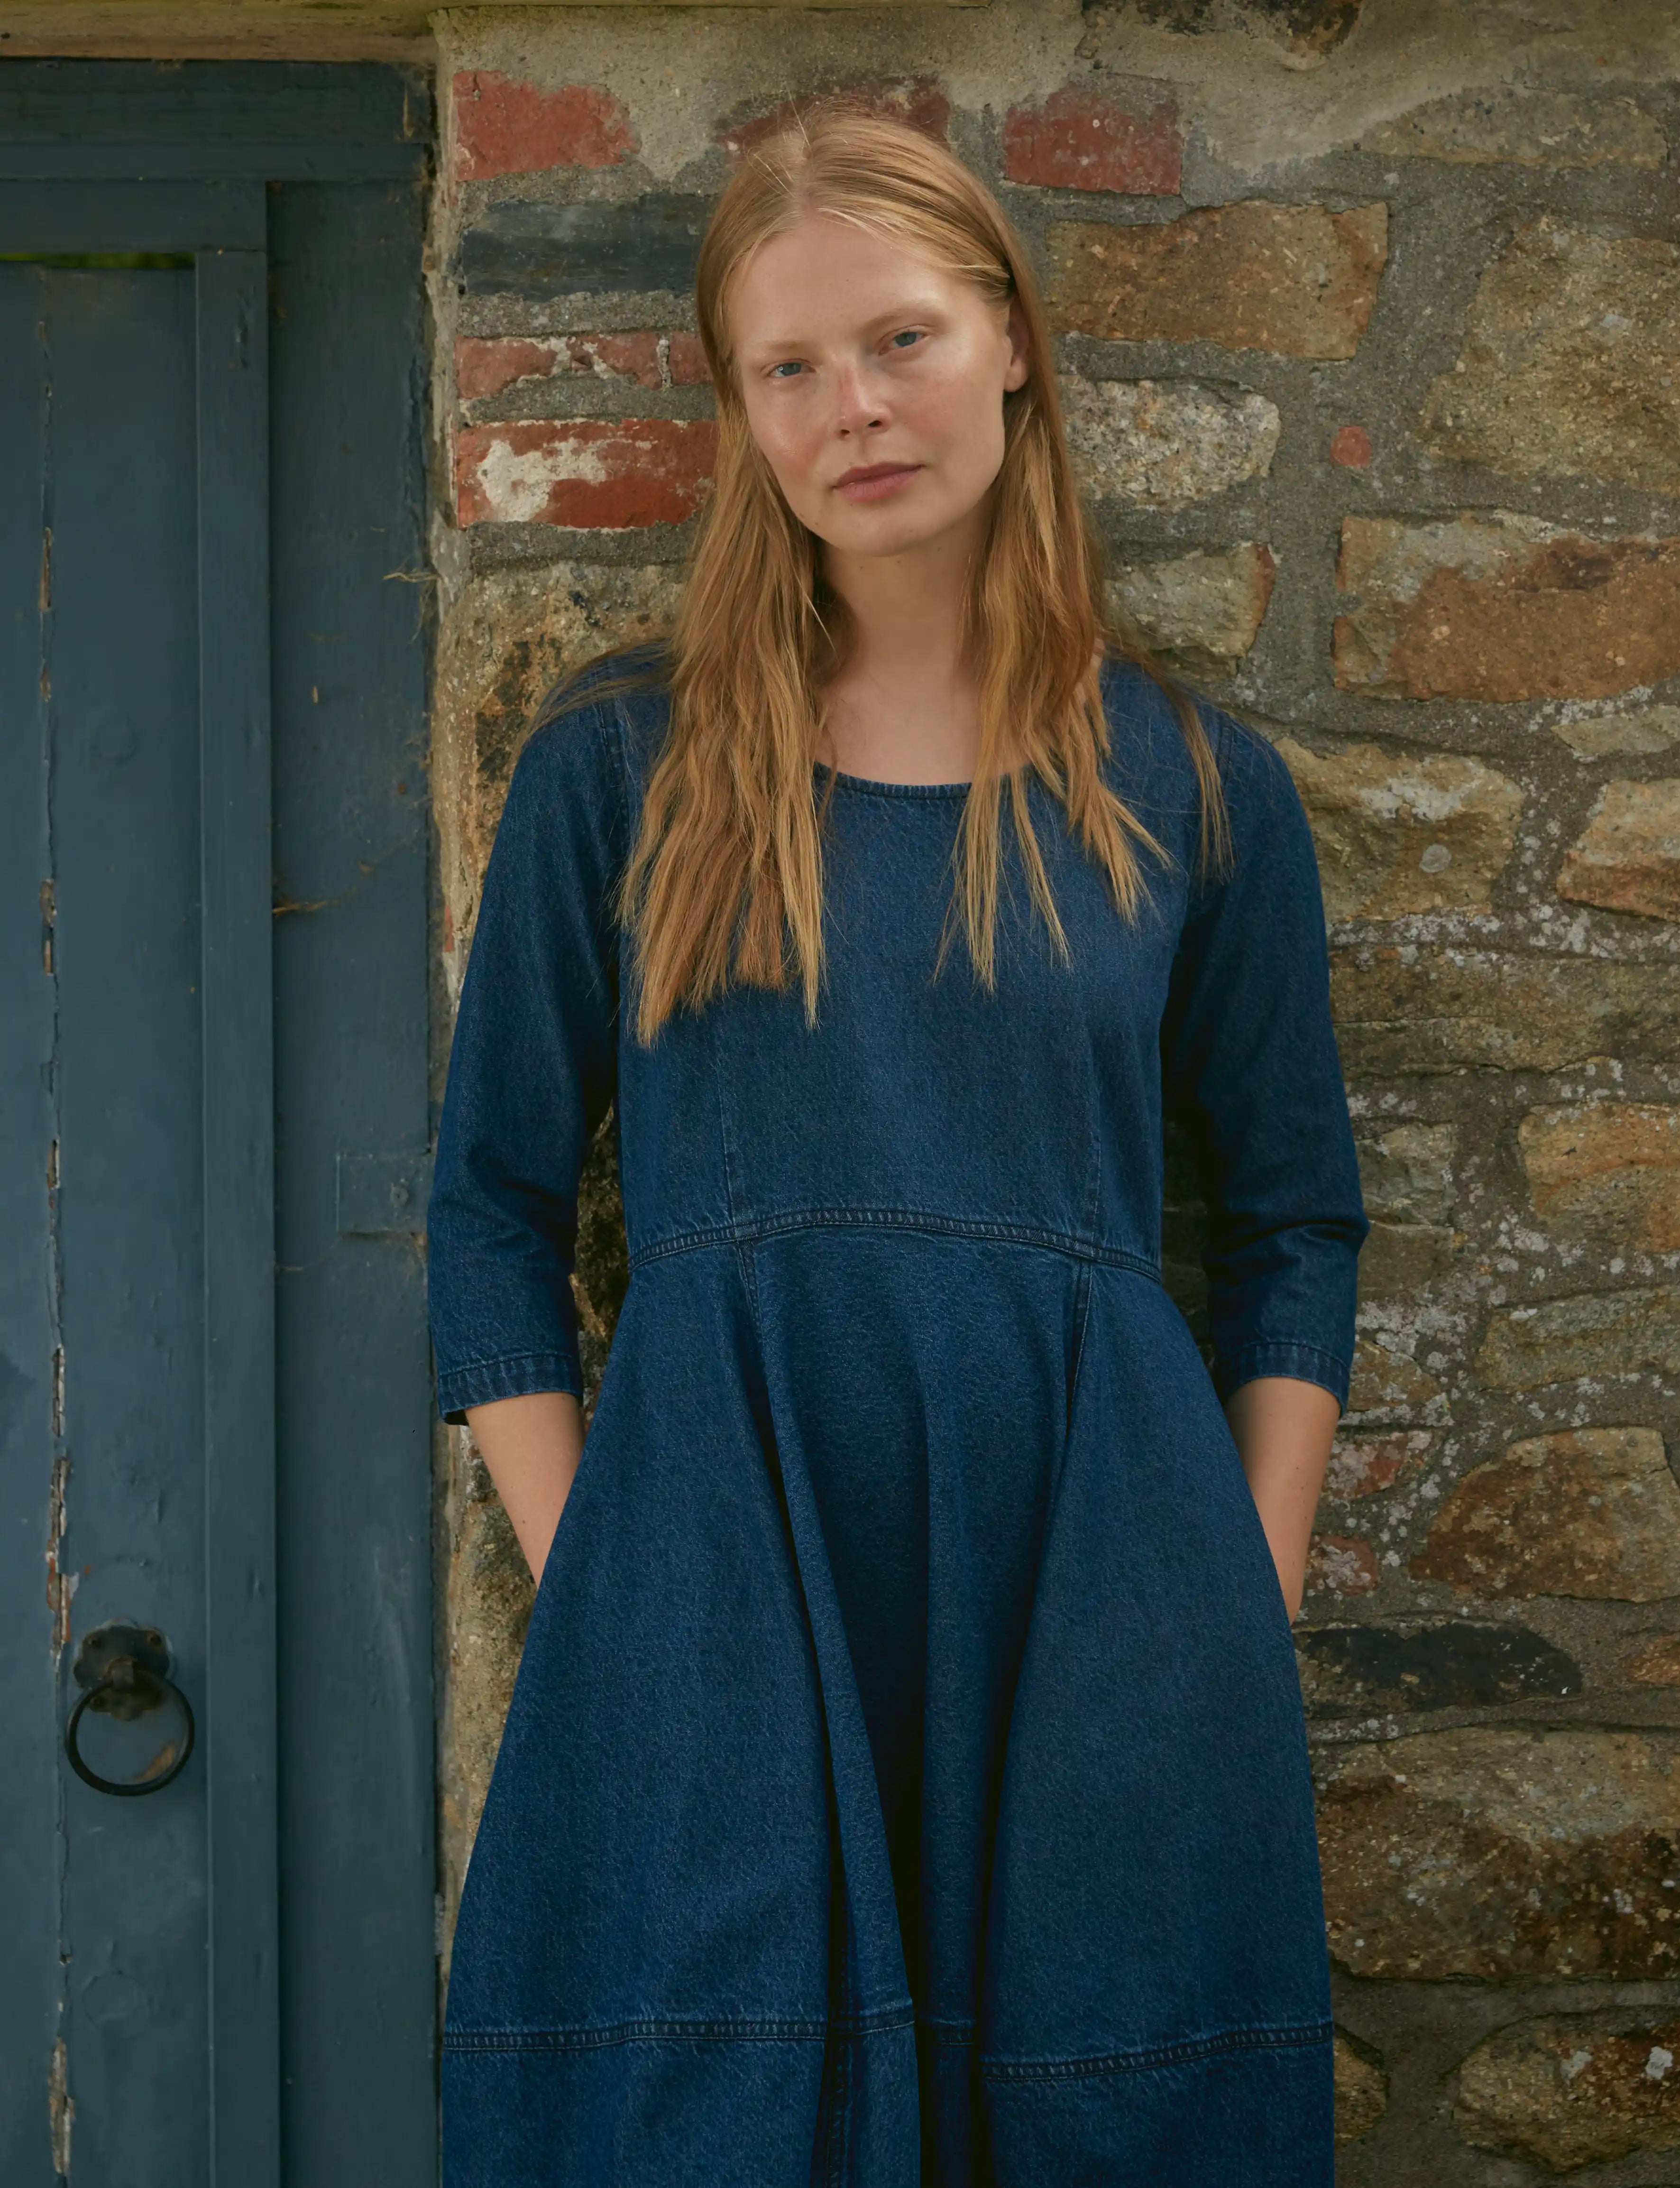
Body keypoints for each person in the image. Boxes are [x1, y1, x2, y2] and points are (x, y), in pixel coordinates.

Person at [428, 107, 1367, 2188]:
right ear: (739, 405)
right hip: (716, 1582)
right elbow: (489, 1209)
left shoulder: (1194, 790)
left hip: (1101, 1596)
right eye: (787, 365)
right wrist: (613, 1582)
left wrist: (1235, 1593)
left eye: (902, 338)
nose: (851, 406)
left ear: (1012, 339)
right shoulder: (622, 768)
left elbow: (1293, 1219)